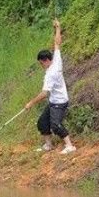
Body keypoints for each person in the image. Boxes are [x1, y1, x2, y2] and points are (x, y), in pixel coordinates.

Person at [25, 18, 76, 154]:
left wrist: (31, 103)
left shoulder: (51, 74)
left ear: (46, 61)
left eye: (41, 63)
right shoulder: (56, 60)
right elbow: (57, 43)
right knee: (42, 122)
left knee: (56, 125)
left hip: (59, 102)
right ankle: (48, 145)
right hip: (54, 101)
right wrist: (58, 27)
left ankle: (70, 146)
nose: (41, 66)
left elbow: (44, 94)